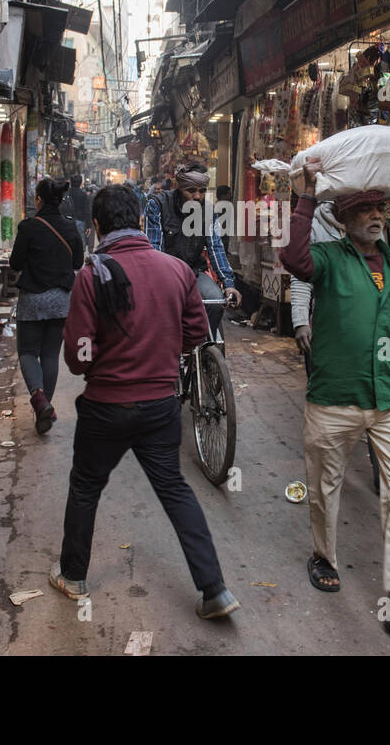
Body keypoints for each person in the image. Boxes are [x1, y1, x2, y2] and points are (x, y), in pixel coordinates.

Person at [52, 184, 240, 619]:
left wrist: (102, 351)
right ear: (139, 219)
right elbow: (197, 337)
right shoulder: (176, 270)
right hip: (159, 406)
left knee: (85, 487)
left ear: (97, 226)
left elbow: (78, 359)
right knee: (175, 491)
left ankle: (74, 576)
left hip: (105, 406)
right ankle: (215, 590)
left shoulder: (91, 274)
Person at [281, 157, 390, 637]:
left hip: (389, 395)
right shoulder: (328, 258)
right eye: (365, 209)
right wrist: (306, 198)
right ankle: (323, 554)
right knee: (325, 485)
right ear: (345, 218)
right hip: (334, 394)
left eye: (380, 209)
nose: (376, 216)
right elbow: (294, 260)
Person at [290, 198, 383, 496]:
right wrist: (301, 320)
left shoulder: (375, 226)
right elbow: (303, 275)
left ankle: (387, 475)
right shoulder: (319, 224)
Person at [9, 178, 84, 433]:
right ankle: (45, 405)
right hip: (61, 300)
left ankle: (39, 400)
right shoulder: (71, 227)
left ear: (38, 200)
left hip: (32, 299)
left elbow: (16, 263)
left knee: (28, 352)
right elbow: (77, 263)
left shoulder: (29, 227)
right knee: (51, 354)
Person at [144, 162, 241, 334]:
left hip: (194, 272)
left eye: (202, 191)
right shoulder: (157, 205)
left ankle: (205, 350)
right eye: (191, 190)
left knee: (215, 301)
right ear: (179, 187)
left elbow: (215, 247)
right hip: (166, 274)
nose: (198, 196)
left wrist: (228, 283)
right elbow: (154, 248)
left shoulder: (208, 211)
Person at [64, 173, 93, 251]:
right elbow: (87, 211)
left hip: (66, 219)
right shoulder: (83, 195)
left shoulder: (66, 193)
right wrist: (89, 225)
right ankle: (79, 255)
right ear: (80, 183)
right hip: (80, 220)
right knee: (80, 240)